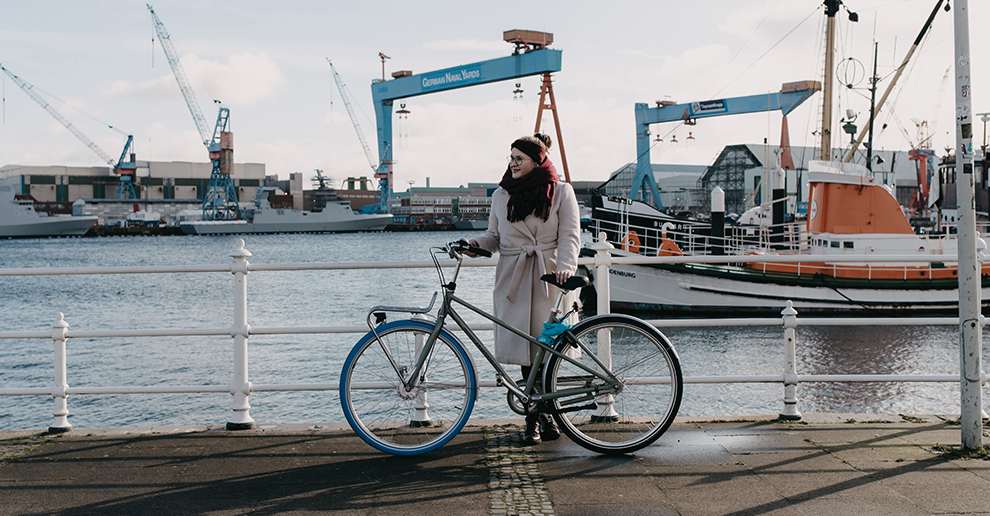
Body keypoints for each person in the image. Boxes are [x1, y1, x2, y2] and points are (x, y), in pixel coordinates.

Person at [467, 133, 581, 446]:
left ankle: (546, 414)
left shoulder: (561, 192)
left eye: (520, 159)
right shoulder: (501, 195)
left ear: (537, 161)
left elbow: (571, 236)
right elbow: (493, 238)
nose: (513, 164)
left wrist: (566, 267)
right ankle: (535, 417)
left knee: (548, 351)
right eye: (511, 158)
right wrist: (473, 245)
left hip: (550, 275)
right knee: (524, 351)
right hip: (513, 278)